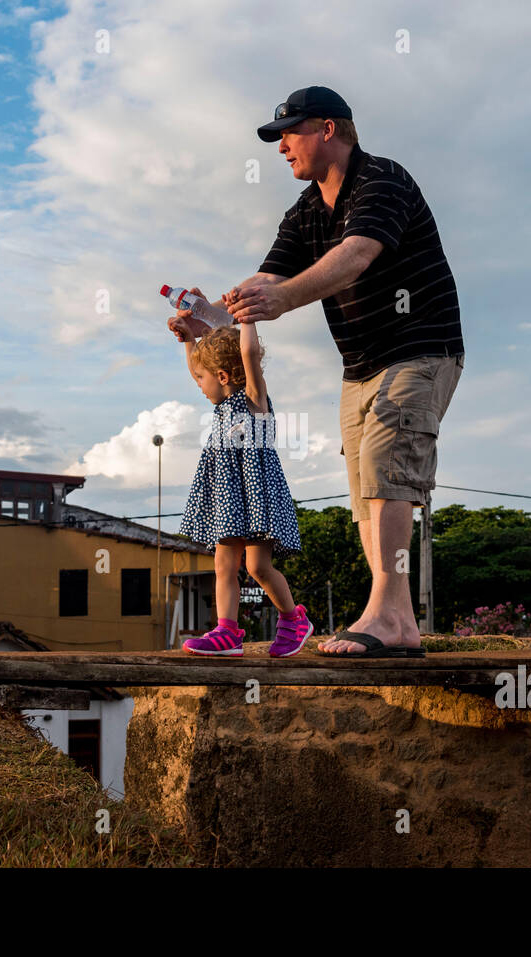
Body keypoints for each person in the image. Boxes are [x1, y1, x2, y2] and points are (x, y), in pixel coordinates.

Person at [223, 86, 465, 658]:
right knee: (366, 492)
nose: (281, 147)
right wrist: (209, 316)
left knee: (389, 468)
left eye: (289, 133)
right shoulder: (305, 211)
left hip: (419, 348)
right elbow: (265, 284)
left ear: (328, 129)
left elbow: (356, 255)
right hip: (358, 367)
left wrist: (282, 302)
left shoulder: (382, 179)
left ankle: (384, 614)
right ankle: (399, 625)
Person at [167, 290, 314, 658]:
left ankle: (294, 618)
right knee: (223, 563)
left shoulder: (254, 401)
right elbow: (198, 367)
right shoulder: (220, 405)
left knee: (258, 566)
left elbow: (248, 356)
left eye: (202, 377)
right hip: (228, 497)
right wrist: (189, 339)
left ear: (222, 375)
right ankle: (227, 632)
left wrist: (246, 319)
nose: (197, 384)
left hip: (256, 495)